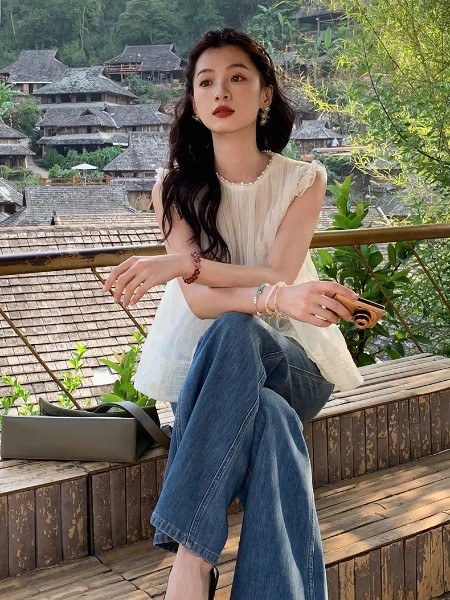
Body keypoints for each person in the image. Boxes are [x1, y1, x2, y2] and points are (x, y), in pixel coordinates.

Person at [103, 28, 363, 600]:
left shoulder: (303, 180)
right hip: (208, 372)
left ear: (265, 94)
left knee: (239, 327)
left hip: (294, 361)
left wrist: (186, 265)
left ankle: (191, 559)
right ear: (194, 102)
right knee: (267, 417)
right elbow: (202, 303)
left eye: (237, 77)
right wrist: (259, 292)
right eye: (206, 82)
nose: (220, 91)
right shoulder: (174, 188)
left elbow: (277, 273)